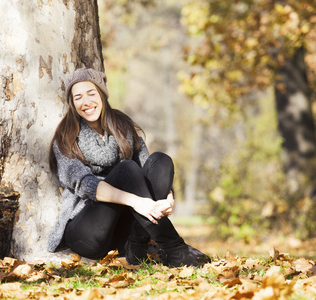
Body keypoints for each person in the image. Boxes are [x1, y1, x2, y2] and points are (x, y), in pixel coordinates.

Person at [46, 67, 208, 267]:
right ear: (72, 103)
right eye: (77, 97)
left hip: (124, 231)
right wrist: (136, 202)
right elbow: (86, 184)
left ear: (102, 95)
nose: (85, 102)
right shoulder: (66, 136)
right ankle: (175, 249)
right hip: (88, 233)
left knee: (161, 160)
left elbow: (150, 169)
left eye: (91, 93)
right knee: (127, 169)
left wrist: (168, 197)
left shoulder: (122, 126)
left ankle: (136, 246)